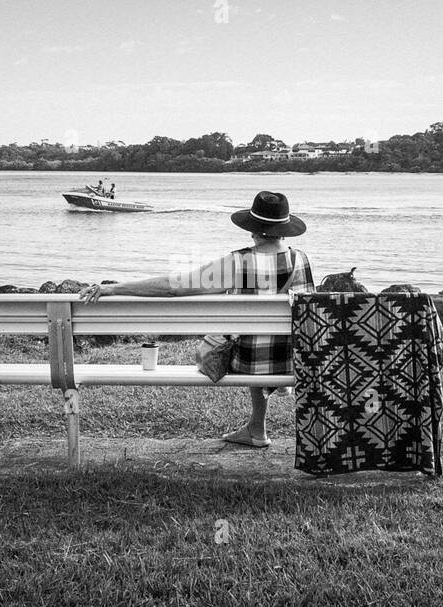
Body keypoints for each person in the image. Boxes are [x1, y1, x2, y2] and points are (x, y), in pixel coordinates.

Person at [78, 190, 314, 448]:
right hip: (292, 358)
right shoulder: (301, 258)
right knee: (262, 338)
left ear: (252, 228)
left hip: (250, 360)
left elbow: (174, 287)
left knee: (243, 341)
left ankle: (257, 428)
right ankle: (258, 426)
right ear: (284, 229)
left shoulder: (238, 262)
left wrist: (115, 288)